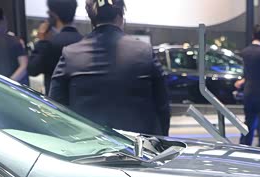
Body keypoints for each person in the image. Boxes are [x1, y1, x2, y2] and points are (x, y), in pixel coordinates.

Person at [49, 0, 170, 136]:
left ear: (91, 18)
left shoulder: (70, 54)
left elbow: (55, 108)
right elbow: (163, 108)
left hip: (86, 146)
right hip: (136, 146)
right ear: (121, 15)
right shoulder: (145, 52)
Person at [28, 0, 82, 96]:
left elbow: (32, 69)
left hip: (54, 101)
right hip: (79, 100)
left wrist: (41, 40)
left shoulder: (49, 44)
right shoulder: (85, 41)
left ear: (53, 15)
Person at [238, 24, 260, 148]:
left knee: (248, 122)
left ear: (253, 35)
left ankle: (243, 147)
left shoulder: (245, 52)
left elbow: (244, 73)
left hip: (249, 91)